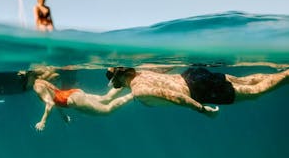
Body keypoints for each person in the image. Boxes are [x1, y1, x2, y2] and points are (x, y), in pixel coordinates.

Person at [104, 66, 289, 117]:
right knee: (245, 80)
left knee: (254, 92)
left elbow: (177, 97)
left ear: (118, 80)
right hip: (193, 75)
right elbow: (167, 69)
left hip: (197, 90)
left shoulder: (139, 90)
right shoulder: (143, 71)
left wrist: (202, 109)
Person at [32, 77, 133, 131]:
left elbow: (50, 103)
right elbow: (54, 100)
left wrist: (43, 121)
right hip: (73, 93)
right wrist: (63, 115)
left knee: (106, 110)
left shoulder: (37, 87)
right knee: (105, 98)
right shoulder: (40, 82)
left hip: (73, 100)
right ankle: (125, 81)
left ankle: (134, 94)